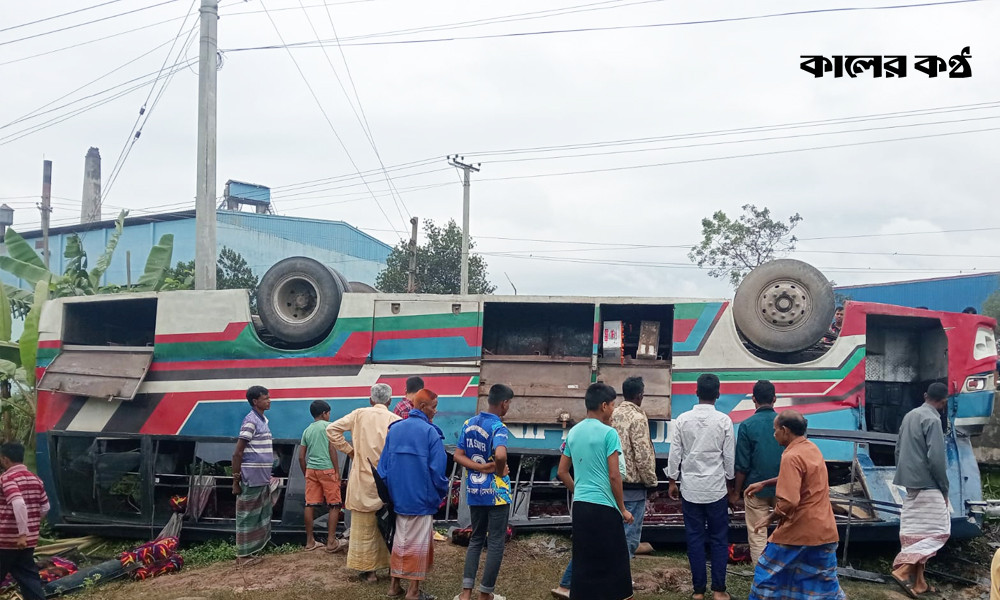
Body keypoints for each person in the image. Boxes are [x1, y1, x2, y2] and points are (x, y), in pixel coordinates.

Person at [746, 410, 844, 600]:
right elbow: (800, 477)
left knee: (766, 575)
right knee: (823, 584)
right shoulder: (811, 448)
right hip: (824, 531)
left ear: (785, 430)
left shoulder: (790, 456)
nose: (774, 435)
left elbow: (789, 501)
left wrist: (769, 518)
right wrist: (765, 483)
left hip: (799, 532)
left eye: (775, 430)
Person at [557, 382, 634, 600]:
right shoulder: (609, 434)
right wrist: (623, 509)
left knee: (584, 562)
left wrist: (578, 490)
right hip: (605, 509)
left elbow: (562, 472)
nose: (613, 409)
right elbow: (614, 475)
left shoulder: (573, 432)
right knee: (616, 564)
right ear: (603, 406)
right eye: (612, 405)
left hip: (581, 507)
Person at [666, 373, 735, 600]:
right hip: (716, 489)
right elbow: (729, 458)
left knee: (694, 539)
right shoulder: (724, 421)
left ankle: (698, 591)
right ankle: (719, 590)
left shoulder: (683, 420)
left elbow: (675, 453)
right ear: (718, 394)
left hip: (690, 489)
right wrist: (729, 480)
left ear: (696, 393)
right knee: (718, 538)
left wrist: (672, 480)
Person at [378, 389, 449, 600]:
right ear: (421, 407)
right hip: (422, 499)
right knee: (418, 545)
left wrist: (393, 492)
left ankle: (394, 586)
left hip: (399, 499)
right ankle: (413, 591)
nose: (435, 411)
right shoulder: (431, 433)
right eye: (433, 406)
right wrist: (440, 493)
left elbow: (383, 469)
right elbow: (438, 471)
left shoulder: (395, 430)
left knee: (400, 540)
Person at [328, 383, 401, 583]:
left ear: (371, 400)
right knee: (384, 525)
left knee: (363, 527)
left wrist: (350, 451)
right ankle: (387, 566)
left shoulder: (359, 414)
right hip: (385, 482)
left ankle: (369, 572)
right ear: (389, 401)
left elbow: (331, 429)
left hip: (361, 479)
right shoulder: (395, 420)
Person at [454, 384, 515, 600]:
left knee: (476, 539)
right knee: (496, 541)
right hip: (496, 493)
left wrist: (478, 468)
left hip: (475, 489)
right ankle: (485, 594)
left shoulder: (469, 424)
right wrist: (498, 471)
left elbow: (457, 455)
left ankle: (465, 593)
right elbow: (500, 456)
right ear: (504, 403)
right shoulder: (498, 427)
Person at [891, 381, 951, 597]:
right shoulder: (933, 419)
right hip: (928, 484)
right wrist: (944, 488)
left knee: (919, 533)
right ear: (943, 401)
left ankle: (920, 584)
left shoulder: (910, 416)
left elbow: (898, 449)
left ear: (926, 395)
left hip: (910, 483)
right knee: (940, 531)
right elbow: (935, 458)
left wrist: (906, 475)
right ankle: (904, 569)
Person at [731, 380, 783, 565]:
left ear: (753, 399)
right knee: (787, 531)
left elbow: (742, 465)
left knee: (757, 533)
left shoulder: (747, 426)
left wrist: (737, 492)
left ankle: (761, 576)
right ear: (775, 399)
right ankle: (784, 572)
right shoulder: (787, 424)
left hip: (756, 489)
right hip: (784, 488)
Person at [611, 376, 658, 559]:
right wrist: (651, 482)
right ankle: (621, 580)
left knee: (612, 535)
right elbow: (643, 455)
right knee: (629, 537)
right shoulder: (638, 418)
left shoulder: (611, 413)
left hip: (611, 483)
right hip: (633, 488)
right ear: (639, 396)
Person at [0, 443, 49, 600]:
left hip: (6, 541)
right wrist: (31, 528)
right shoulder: (36, 479)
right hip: (28, 542)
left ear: (5, 459)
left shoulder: (7, 478)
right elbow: (46, 507)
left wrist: (22, 533)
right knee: (29, 579)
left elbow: (18, 502)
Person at [232, 385, 274, 566]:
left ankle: (250, 552)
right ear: (255, 401)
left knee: (259, 514)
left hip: (261, 476)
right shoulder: (250, 421)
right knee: (247, 515)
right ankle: (243, 556)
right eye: (266, 398)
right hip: (251, 476)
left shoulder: (263, 420)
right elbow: (238, 453)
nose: (269, 400)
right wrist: (236, 480)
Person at [299, 400, 344, 552]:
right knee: (335, 504)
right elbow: (332, 450)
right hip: (327, 470)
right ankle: (331, 542)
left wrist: (306, 472)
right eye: (329, 413)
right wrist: (336, 471)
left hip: (311, 470)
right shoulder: (329, 427)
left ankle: (310, 541)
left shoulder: (307, 430)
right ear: (324, 413)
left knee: (310, 504)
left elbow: (301, 456)